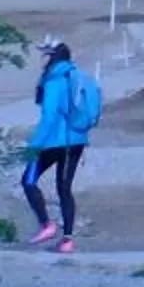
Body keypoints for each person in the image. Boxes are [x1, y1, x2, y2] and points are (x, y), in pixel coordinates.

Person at [22, 41, 90, 252]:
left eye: (47, 55)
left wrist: (34, 146)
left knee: (28, 180)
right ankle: (67, 240)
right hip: (77, 140)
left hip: (54, 142)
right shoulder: (80, 77)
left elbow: (49, 118)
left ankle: (47, 225)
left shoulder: (52, 81)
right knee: (64, 189)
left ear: (53, 58)